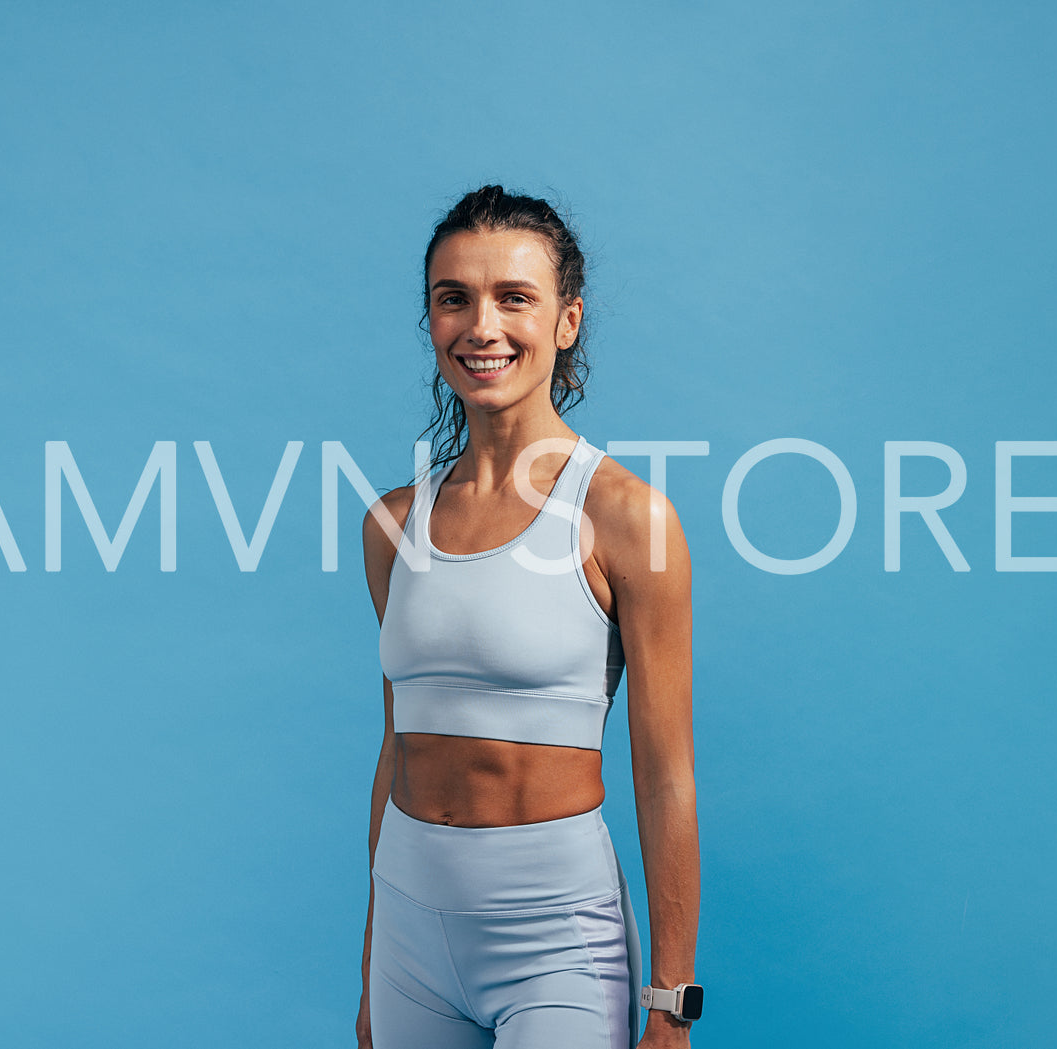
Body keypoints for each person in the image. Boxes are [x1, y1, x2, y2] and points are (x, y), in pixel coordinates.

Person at [357, 185, 700, 1049]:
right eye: (453, 298)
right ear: (430, 320)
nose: (482, 326)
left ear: (566, 321)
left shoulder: (626, 519)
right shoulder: (393, 524)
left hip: (554, 937)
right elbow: (396, 745)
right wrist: (371, 971)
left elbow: (664, 777)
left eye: (514, 297)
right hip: (406, 928)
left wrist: (670, 1004)